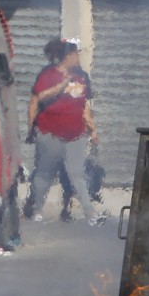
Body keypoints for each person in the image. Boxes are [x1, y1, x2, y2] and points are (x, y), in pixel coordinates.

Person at [26, 37, 102, 226]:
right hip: (50, 132)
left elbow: (84, 105)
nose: (78, 57)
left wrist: (92, 129)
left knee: (77, 173)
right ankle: (37, 209)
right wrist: (30, 128)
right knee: (45, 172)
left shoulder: (82, 76)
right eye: (76, 54)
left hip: (76, 134)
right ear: (67, 56)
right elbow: (38, 98)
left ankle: (90, 212)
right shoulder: (47, 74)